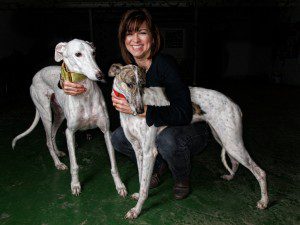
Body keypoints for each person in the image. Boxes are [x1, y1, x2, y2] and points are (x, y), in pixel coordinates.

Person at [61, 8, 209, 200]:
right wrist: (63, 82)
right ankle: (157, 166)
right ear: (124, 39)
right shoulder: (120, 66)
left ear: (153, 37)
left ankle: (181, 177)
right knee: (118, 138)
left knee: (167, 140)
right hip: (151, 126)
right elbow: (83, 67)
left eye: (142, 32)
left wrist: (145, 111)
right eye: (129, 34)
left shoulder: (166, 64)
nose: (135, 40)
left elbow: (183, 112)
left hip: (186, 126)